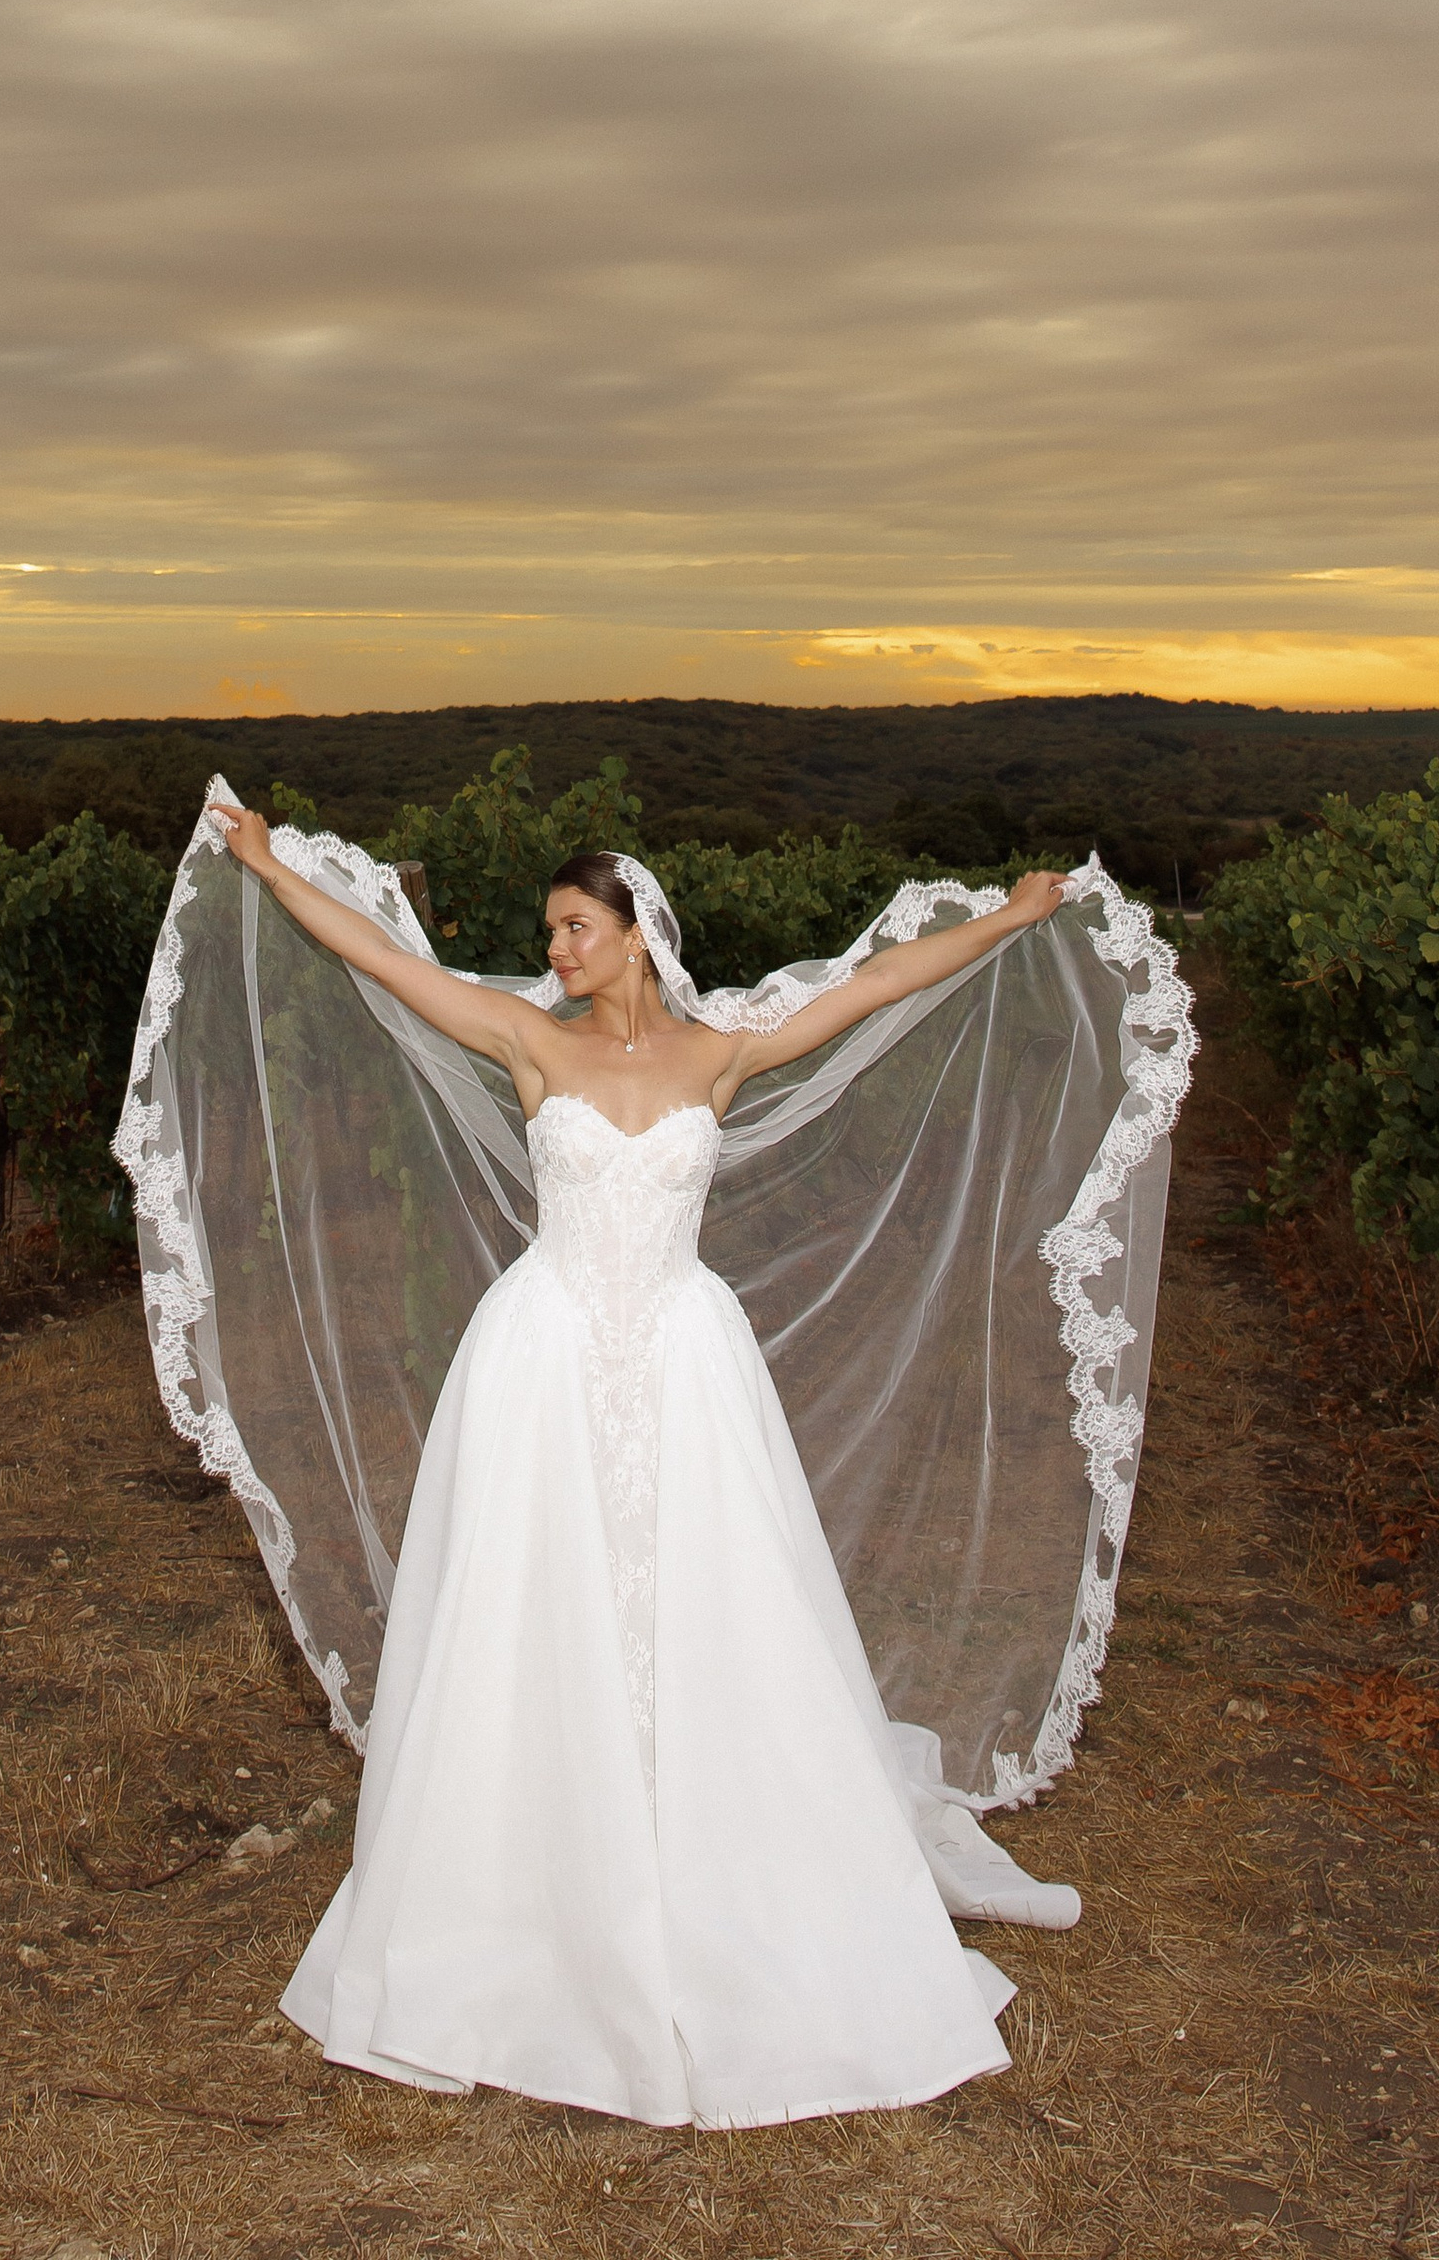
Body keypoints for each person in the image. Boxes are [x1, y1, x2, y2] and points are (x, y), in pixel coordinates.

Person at [197, 808, 1084, 2130]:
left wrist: (1009, 916)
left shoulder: (720, 1051)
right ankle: (525, 1881)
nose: (554, 948)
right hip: (544, 1357)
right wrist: (271, 867)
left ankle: (715, 1854)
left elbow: (874, 983)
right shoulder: (529, 1040)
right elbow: (384, 958)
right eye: (550, 929)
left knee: (708, 1602)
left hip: (680, 1357)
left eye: (574, 926)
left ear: (633, 935)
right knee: (536, 1604)